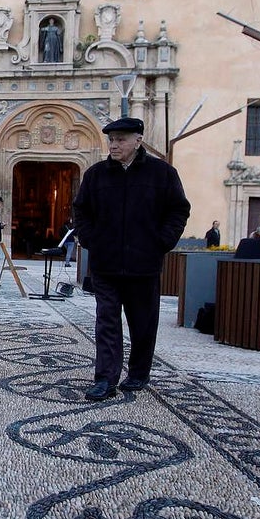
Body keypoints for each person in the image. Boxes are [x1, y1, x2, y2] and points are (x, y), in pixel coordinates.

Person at [72, 117, 191, 401]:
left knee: (142, 323)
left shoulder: (162, 174)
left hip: (143, 265)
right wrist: (90, 240)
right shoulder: (96, 175)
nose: (114, 145)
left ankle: (138, 373)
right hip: (106, 263)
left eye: (121, 139)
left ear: (138, 140)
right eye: (111, 140)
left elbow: (178, 210)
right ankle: (105, 378)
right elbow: (81, 211)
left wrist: (161, 242)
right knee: (107, 322)